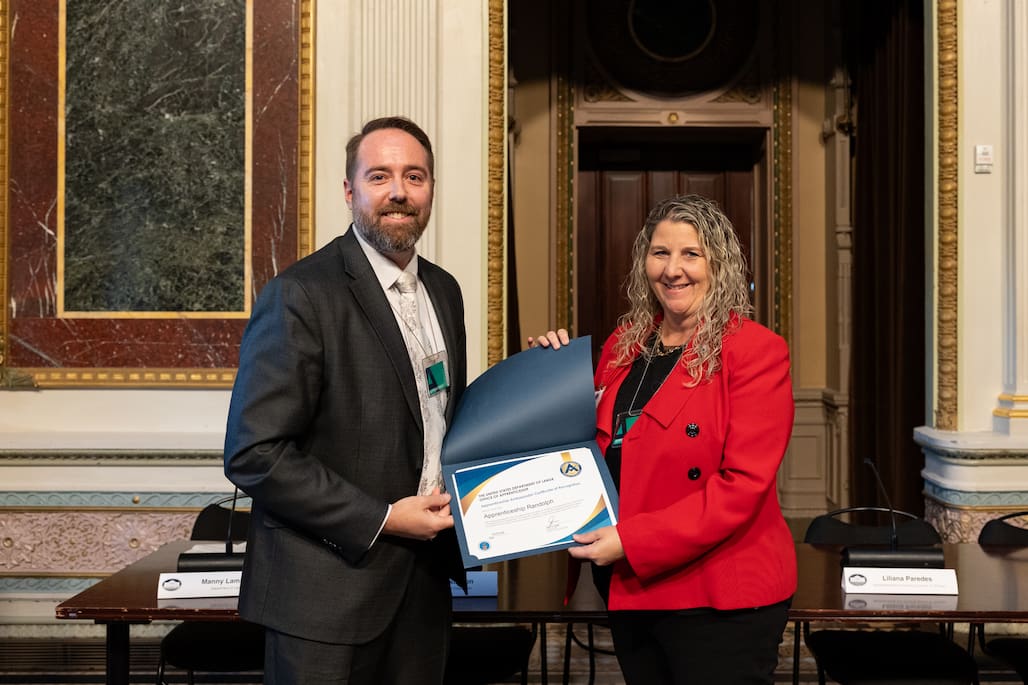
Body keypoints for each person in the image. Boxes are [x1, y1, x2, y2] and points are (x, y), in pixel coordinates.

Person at [224, 116, 467, 684]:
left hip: (422, 591)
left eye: (415, 176)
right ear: (350, 190)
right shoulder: (302, 294)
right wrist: (382, 518)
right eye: (379, 176)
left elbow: (437, 421)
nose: (399, 192)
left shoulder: (445, 291)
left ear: (430, 188)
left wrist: (539, 370)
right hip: (325, 598)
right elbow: (255, 453)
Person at [531, 194, 796, 684]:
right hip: (634, 585)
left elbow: (741, 486)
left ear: (719, 264)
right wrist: (548, 373)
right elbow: (583, 447)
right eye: (660, 253)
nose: (673, 270)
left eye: (691, 254)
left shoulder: (756, 350)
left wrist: (631, 542)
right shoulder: (624, 344)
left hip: (719, 595)